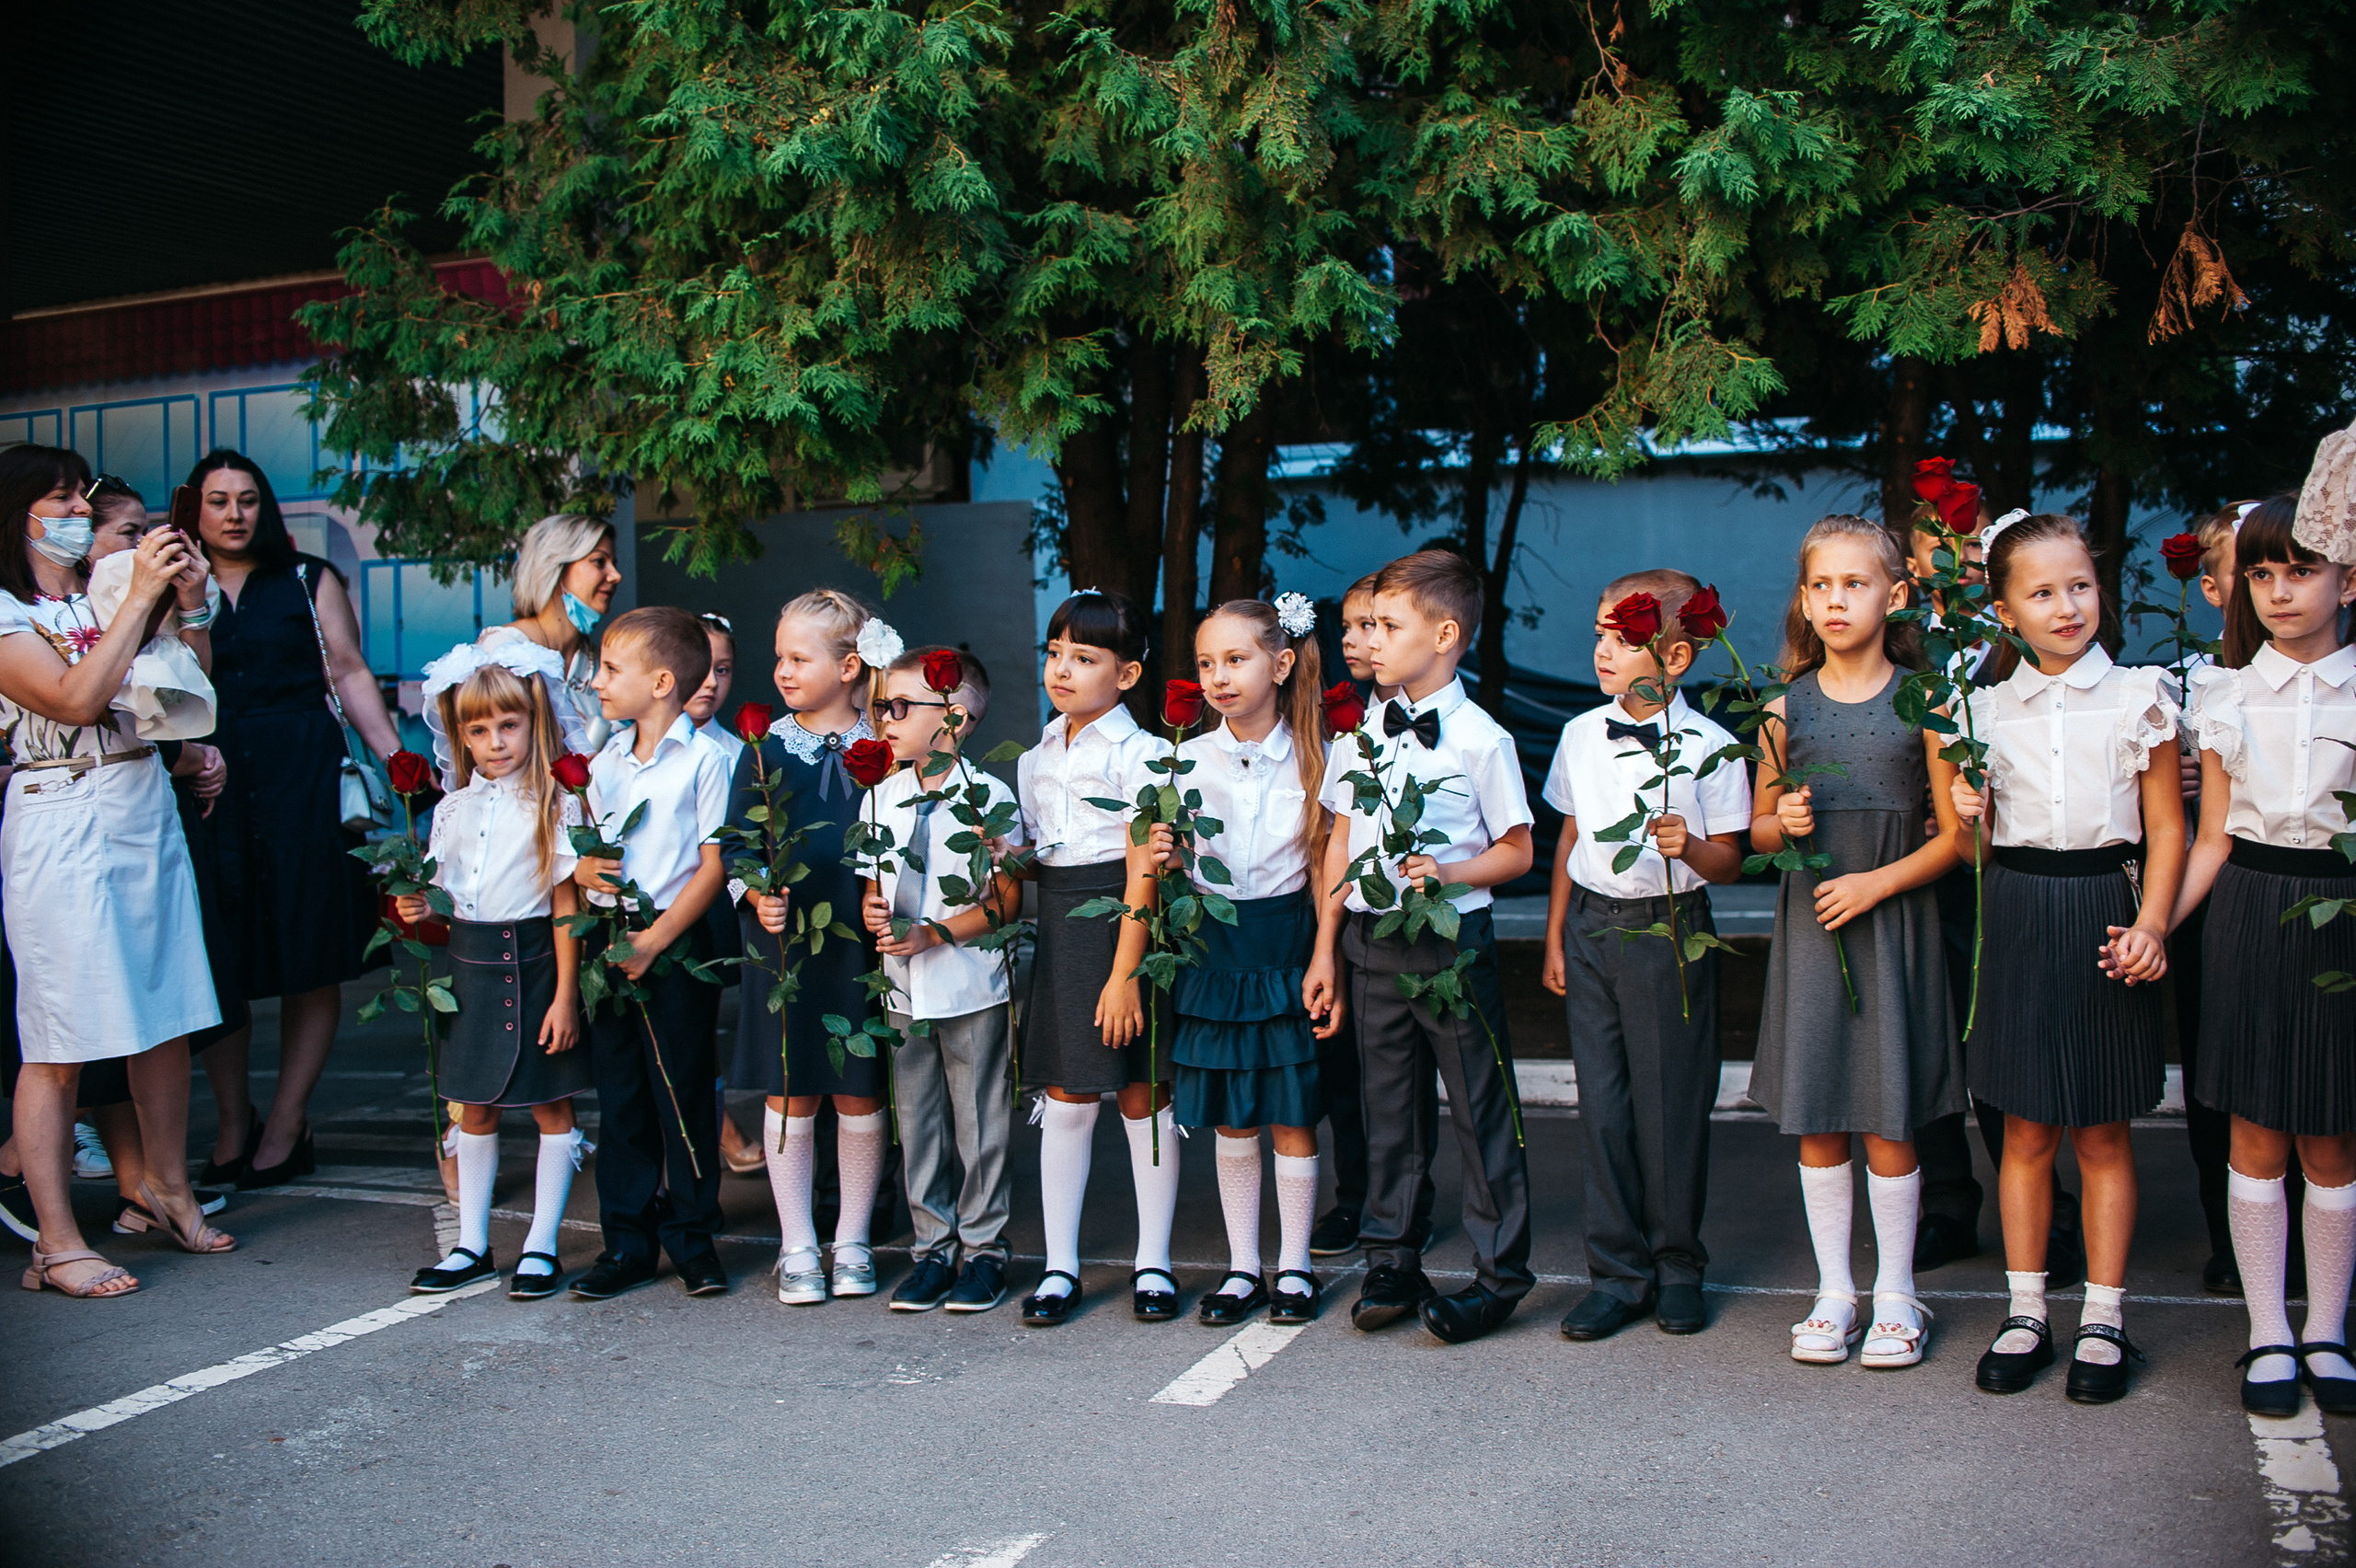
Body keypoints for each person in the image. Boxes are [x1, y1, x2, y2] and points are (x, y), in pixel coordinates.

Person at [1953, 510, 2186, 1404]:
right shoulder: (1981, 710)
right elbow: (1969, 857)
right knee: (2023, 1128)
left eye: (2079, 585)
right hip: (2013, 908)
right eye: (2041, 592)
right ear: (2004, 611)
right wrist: (1967, 817)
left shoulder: (2141, 697)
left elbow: (2167, 831)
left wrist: (2152, 926)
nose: (2065, 605)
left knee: (2100, 1127)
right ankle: (2024, 1311)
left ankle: (2102, 1315)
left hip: (2103, 909)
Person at [0, 444, 232, 1296]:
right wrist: (139, 598)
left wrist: (191, 608)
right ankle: (56, 1242)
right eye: (59, 501)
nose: (74, 514)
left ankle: (166, 1186)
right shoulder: (8, 611)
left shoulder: (102, 595)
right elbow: (70, 699)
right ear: (17, 513)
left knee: (167, 1008)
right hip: (60, 811)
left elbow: (182, 695)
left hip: (141, 802)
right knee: (58, 1034)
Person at [1748, 515, 1967, 1368]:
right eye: (1821, 586)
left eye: (1856, 583)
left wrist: (1878, 882)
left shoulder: (1928, 702)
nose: (1837, 600)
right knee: (1819, 1111)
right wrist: (1784, 822)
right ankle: (1835, 1290)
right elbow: (1761, 830)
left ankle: (1897, 1293)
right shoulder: (1781, 707)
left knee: (1887, 1109)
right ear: (1804, 599)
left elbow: (1961, 840)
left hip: (1891, 920)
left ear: (1896, 595)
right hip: (1812, 928)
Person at [1307, 549, 1536, 1345]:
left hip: (1451, 943)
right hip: (1369, 939)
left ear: (1443, 635)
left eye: (1386, 626)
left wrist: (1449, 871)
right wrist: (1325, 948)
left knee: (1479, 1108)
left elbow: (1518, 849)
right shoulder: (1364, 727)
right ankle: (1392, 1257)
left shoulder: (1480, 738)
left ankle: (1500, 1275)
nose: (1369, 639)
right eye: (1365, 625)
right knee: (1388, 1110)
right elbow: (1340, 840)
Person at [2167, 496, 2356, 1417]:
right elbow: (2208, 839)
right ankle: (2266, 1333)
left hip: (2339, 912)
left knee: (2329, 1132)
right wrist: (2153, 924)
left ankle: (2324, 1328)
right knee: (2252, 1133)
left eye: (2302, 570)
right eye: (2262, 573)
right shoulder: (2223, 692)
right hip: (2246, 905)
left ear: (2347, 580)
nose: (2280, 591)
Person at [1541, 568, 1749, 1343]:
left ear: (1676, 657)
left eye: (1620, 639)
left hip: (1670, 928)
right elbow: (1568, 837)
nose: (1601, 649)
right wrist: (1561, 935)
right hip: (1593, 929)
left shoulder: (1713, 746)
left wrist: (1687, 843)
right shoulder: (1577, 734)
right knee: (1604, 1107)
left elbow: (1730, 858)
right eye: (1599, 633)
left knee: (1670, 1105)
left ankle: (1678, 1266)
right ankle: (1616, 1274)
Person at [189, 449, 402, 1190]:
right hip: (209, 781)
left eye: (247, 499)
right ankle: (231, 1121)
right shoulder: (173, 587)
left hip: (302, 775)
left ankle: (286, 1124)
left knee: (309, 949)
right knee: (222, 958)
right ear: (195, 510)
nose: (234, 514)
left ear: (265, 506)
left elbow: (346, 671)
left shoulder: (309, 576)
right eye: (218, 501)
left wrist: (399, 762)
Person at [1153, 595, 1335, 1324]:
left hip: (1288, 939)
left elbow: (1326, 867)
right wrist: (1162, 858)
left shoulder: (1318, 754)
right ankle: (1241, 1267)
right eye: (1206, 663)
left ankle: (1293, 1265)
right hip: (1214, 945)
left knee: (1291, 1108)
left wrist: (1327, 955)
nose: (1219, 677)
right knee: (1234, 1113)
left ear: (1281, 663)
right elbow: (1163, 869)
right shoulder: (1183, 762)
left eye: (1236, 659)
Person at [395, 646, 589, 1298]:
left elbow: (566, 906)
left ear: (533, 723)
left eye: (508, 725)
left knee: (549, 1104)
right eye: (478, 730)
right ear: (460, 736)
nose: (494, 741)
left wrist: (565, 996)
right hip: (470, 969)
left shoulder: (554, 803)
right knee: (472, 1108)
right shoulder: (452, 811)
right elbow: (445, 905)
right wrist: (419, 906)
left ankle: (541, 1243)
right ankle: (470, 1243)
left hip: (534, 964)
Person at [1012, 590, 1176, 1325]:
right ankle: (1059, 1266)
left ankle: (1155, 1263)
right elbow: (1040, 863)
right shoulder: (1033, 757)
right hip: (1062, 931)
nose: (1063, 670)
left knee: (1142, 1094)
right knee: (1068, 1096)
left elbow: (1145, 870)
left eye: (1084, 657)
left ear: (1129, 675)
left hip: (1124, 933)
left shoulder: (1144, 757)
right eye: (1055, 654)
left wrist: (1123, 976)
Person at [567, 607, 734, 1300]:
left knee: (683, 1092)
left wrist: (657, 940)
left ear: (661, 682)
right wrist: (582, 874)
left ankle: (693, 1240)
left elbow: (714, 865)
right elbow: (579, 850)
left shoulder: (706, 760)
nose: (598, 682)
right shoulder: (603, 763)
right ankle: (626, 1243)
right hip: (612, 942)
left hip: (673, 941)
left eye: (611, 670)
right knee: (622, 1096)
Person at [730, 591, 891, 1306]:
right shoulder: (761, 752)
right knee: (790, 1088)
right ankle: (797, 1243)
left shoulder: (883, 745)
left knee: (859, 1090)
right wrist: (755, 891)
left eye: (799, 658)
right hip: (788, 945)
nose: (782, 670)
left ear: (849, 666)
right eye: (779, 657)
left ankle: (852, 1238)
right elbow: (735, 842)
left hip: (861, 945)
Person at [858, 646, 1024, 1314]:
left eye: (899, 708)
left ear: (952, 717)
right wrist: (874, 906)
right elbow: (876, 883)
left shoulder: (990, 797)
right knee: (917, 1120)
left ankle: (984, 1250)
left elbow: (1009, 900)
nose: (884, 721)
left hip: (969, 985)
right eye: (880, 708)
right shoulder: (880, 797)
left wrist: (936, 933)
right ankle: (931, 1249)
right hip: (902, 990)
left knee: (979, 1120)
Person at [1304, 572, 1402, 1260]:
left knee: (1401, 1085)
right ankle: (1355, 1196)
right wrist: (1326, 943)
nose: (1354, 639)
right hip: (1345, 917)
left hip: (1412, 923)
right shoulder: (1346, 724)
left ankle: (1403, 1202)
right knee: (1345, 1072)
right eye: (1348, 627)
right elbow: (1332, 841)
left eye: (1370, 625)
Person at [682, 611, 759, 1177]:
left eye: (724, 669)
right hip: (654, 902)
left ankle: (713, 1119)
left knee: (703, 1018)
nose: (710, 681)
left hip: (713, 903)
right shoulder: (622, 745)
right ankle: (711, 1126)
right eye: (699, 667)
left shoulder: (736, 752)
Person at [469, 513, 625, 765]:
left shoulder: (597, 665)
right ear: (555, 568)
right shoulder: (502, 650)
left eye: (613, 563)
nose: (616, 575)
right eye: (599, 562)